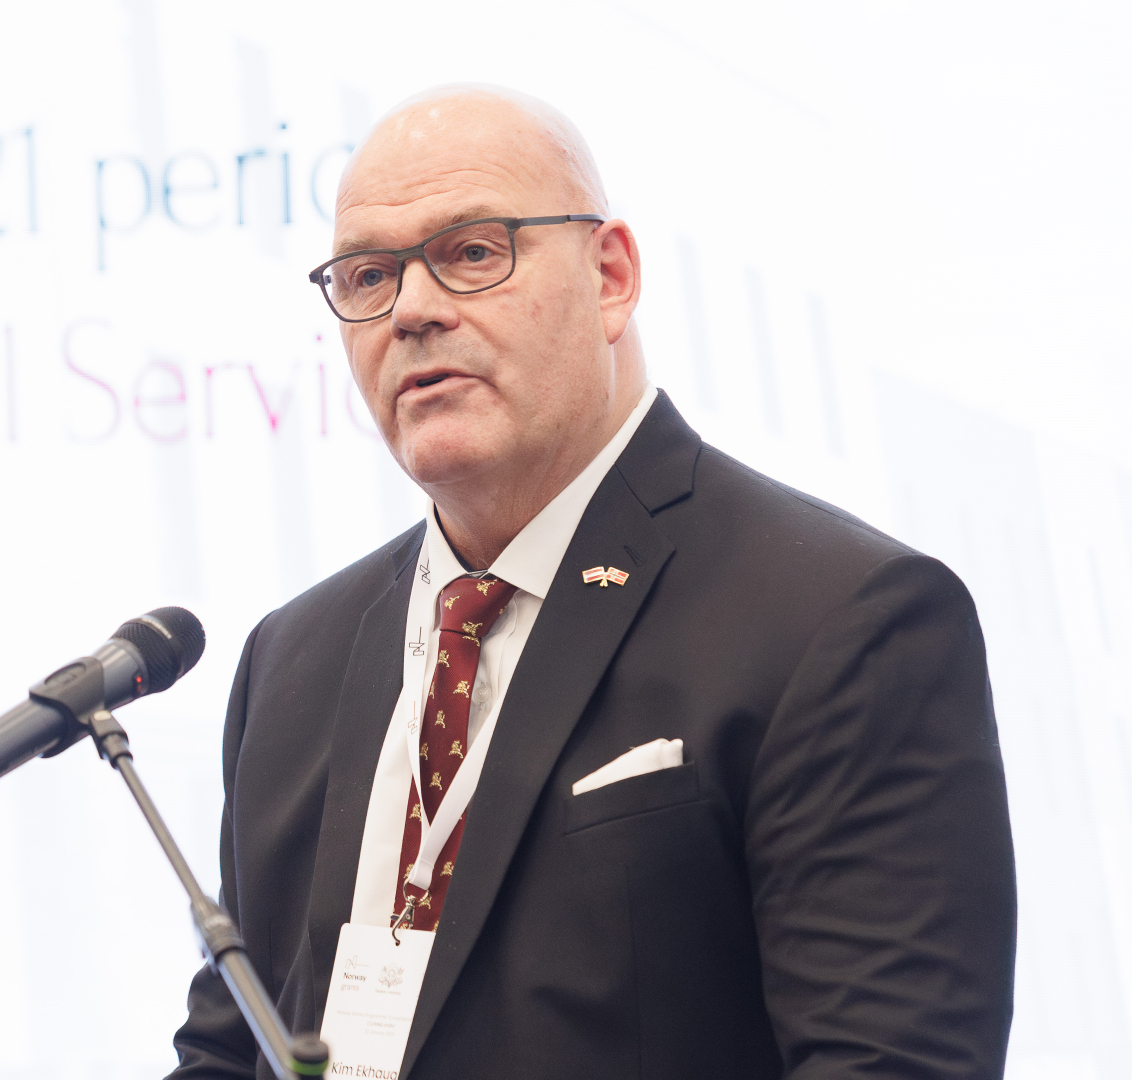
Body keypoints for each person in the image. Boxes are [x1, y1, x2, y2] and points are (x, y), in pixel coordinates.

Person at [168, 85, 1015, 1080]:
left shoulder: (839, 618)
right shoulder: (290, 661)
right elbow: (231, 1049)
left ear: (610, 277)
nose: (412, 312)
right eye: (368, 276)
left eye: (472, 252)